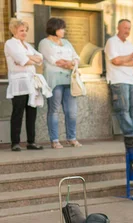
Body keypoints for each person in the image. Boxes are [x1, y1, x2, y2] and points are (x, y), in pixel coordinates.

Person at [38, 17, 81, 149]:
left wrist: (72, 63)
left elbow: (76, 57)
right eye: (61, 28)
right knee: (54, 110)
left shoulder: (67, 42)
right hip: (55, 80)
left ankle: (71, 138)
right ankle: (55, 140)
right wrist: (70, 64)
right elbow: (55, 61)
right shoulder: (44, 43)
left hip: (70, 80)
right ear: (54, 29)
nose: (64, 30)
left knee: (72, 112)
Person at [5, 18, 44, 151]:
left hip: (31, 82)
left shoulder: (26, 45)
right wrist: (29, 58)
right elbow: (22, 60)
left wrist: (29, 58)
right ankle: (15, 142)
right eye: (22, 30)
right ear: (14, 30)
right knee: (18, 113)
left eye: (25, 30)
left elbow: (40, 58)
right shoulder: (10, 44)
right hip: (19, 83)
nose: (24, 33)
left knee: (32, 112)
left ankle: (31, 142)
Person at [105, 19, 133, 136]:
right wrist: (129, 57)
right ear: (118, 28)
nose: (127, 31)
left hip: (131, 80)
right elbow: (115, 60)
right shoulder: (111, 42)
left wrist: (122, 60)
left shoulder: (129, 44)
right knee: (123, 109)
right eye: (125, 28)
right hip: (118, 80)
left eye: (129, 28)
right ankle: (130, 135)